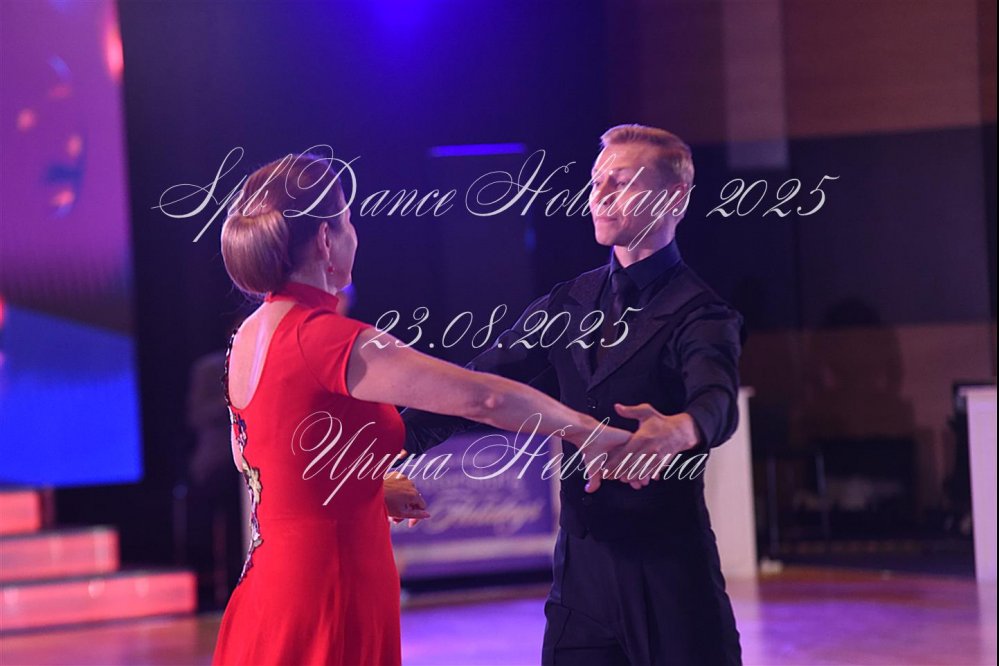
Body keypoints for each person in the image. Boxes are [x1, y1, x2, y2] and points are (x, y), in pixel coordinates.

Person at [211, 151, 628, 666]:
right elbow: (484, 398)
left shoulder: (246, 337)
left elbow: (258, 462)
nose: (354, 235)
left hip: (269, 588)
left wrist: (364, 488)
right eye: (348, 221)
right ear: (325, 239)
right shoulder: (332, 340)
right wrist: (589, 431)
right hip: (328, 591)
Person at [403, 125, 745, 665]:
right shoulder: (569, 302)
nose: (599, 195)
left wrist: (680, 429)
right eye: (596, 180)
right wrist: (388, 441)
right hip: (580, 579)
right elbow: (479, 386)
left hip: (671, 578)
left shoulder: (701, 313)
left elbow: (717, 400)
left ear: (674, 197)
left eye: (621, 182)